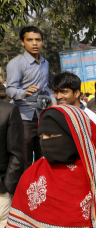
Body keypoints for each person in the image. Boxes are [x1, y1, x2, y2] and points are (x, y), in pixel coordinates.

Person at [6, 26, 55, 168]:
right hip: (24, 118)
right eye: (30, 40)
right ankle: (25, 188)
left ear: (42, 42)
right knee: (25, 160)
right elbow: (10, 90)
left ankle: (42, 188)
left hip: (42, 115)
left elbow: (45, 88)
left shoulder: (45, 63)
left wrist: (54, 102)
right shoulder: (16, 63)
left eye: (38, 40)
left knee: (44, 157)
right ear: (22, 42)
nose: (35, 43)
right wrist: (24, 92)